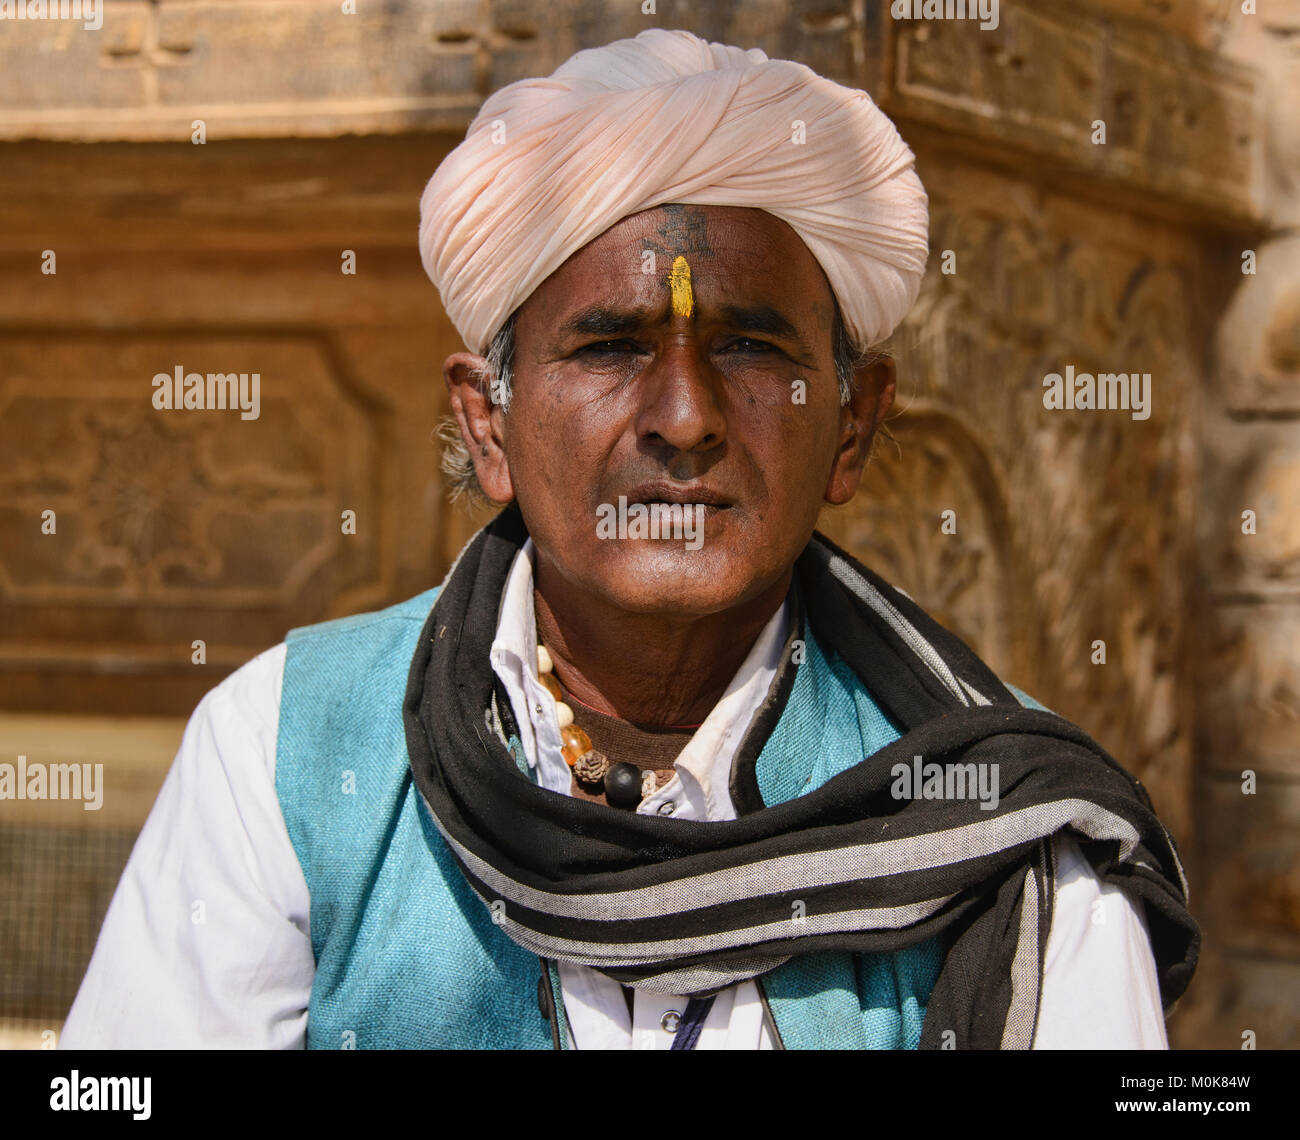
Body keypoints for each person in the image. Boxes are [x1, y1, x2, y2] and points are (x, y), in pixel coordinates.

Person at [61, 27, 1197, 1050]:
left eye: (751, 350)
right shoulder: (282, 753)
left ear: (852, 426)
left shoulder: (1011, 831)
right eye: (608, 348)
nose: (685, 417)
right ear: (487, 423)